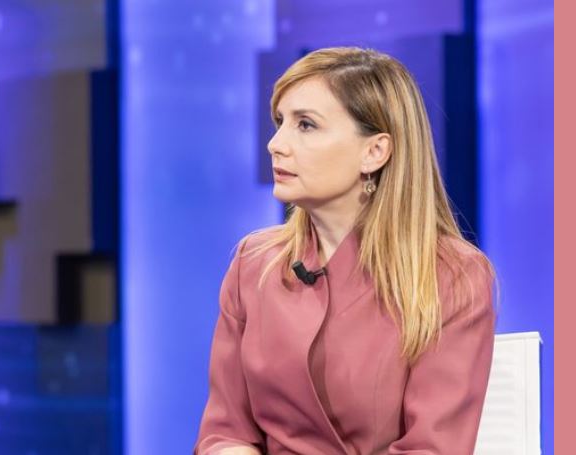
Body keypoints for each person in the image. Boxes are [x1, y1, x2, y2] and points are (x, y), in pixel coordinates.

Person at [193, 47, 498, 455]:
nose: (275, 144)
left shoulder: (452, 275)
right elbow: (225, 432)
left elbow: (430, 447)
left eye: (306, 125)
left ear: (375, 152)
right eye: (280, 122)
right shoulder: (253, 264)